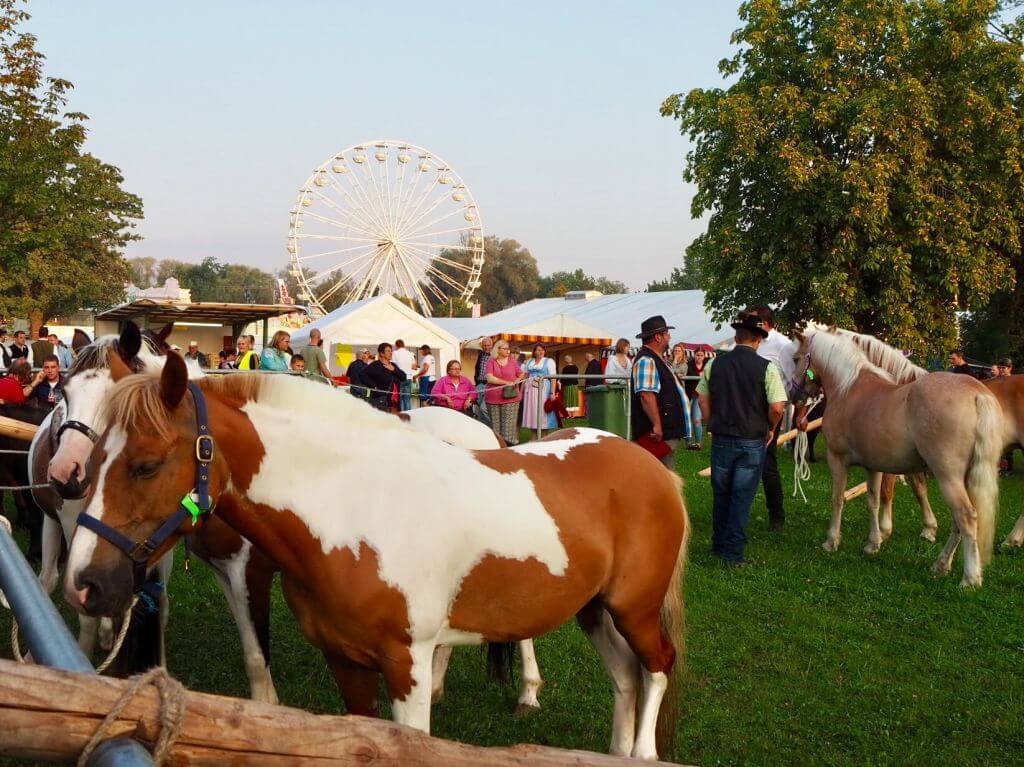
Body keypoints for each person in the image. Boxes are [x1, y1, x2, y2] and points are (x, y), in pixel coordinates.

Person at [697, 310, 787, 566]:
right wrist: (770, 427)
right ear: (758, 340)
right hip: (751, 439)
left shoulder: (715, 363)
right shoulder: (766, 368)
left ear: (736, 337)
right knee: (741, 497)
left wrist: (709, 420)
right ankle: (733, 554)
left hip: (722, 435)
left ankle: (718, 545)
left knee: (721, 493)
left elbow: (701, 396)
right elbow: (778, 407)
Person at [752, 305, 795, 532]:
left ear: (767, 323)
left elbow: (794, 378)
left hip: (769, 411)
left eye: (754, 322)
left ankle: (776, 514)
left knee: (767, 463)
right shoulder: (748, 342)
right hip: (746, 411)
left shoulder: (783, 345)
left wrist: (780, 406)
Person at [631, 316, 691, 470]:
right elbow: (646, 395)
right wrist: (657, 425)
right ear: (658, 337)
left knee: (664, 474)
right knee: (658, 475)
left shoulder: (657, 359)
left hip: (665, 432)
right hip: (656, 434)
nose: (669, 337)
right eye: (666, 334)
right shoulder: (646, 360)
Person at [485, 339, 525, 445]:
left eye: (508, 349)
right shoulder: (491, 361)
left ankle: (510, 451)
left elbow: (521, 373)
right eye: (505, 349)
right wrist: (506, 382)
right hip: (493, 399)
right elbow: (490, 378)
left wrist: (517, 380)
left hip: (511, 397)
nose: (508, 351)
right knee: (496, 429)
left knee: (508, 429)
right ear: (498, 349)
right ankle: (497, 451)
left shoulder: (512, 360)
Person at [522, 343, 558, 431]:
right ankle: (534, 435)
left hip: (543, 389)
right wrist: (522, 391)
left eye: (542, 350)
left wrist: (552, 393)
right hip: (530, 390)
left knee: (542, 411)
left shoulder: (549, 361)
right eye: (538, 350)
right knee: (533, 412)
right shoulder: (529, 361)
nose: (540, 352)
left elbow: (553, 378)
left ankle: (544, 435)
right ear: (534, 352)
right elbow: (525, 376)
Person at [362, 342, 406, 411]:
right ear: (381, 353)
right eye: (388, 351)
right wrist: (374, 386)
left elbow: (403, 377)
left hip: (395, 403)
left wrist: (394, 369)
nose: (391, 353)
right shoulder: (375, 365)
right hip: (380, 401)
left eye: (391, 351)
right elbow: (362, 375)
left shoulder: (393, 365)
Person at [684, 347, 708, 450]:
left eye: (701, 355)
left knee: (697, 419)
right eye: (697, 355)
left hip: (700, 396)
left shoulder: (707, 366)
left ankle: (698, 443)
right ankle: (688, 443)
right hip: (689, 395)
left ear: (704, 355)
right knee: (687, 419)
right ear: (694, 355)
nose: (699, 357)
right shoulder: (689, 365)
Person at [392, 339, 418, 411]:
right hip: (408, 377)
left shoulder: (395, 353)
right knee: (407, 399)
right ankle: (409, 416)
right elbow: (414, 366)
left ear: (397, 345)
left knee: (399, 399)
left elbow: (392, 365)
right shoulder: (410, 353)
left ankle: (401, 417)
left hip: (399, 377)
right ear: (403, 345)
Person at [474, 336, 493, 403]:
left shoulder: (495, 356)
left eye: (488, 345)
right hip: (480, 383)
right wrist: (476, 382)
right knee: (478, 403)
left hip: (489, 384)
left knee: (485, 407)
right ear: (482, 346)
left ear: (492, 345)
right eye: (484, 345)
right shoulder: (481, 354)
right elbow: (477, 368)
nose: (486, 347)